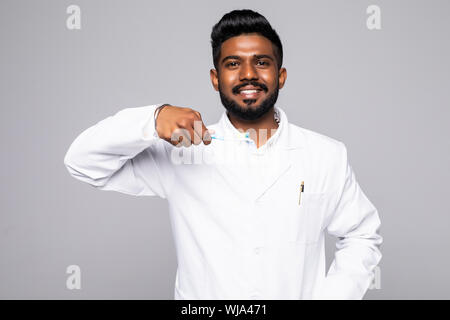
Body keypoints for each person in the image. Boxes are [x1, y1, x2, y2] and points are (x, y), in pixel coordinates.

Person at [64, 9, 382, 300]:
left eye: (261, 62)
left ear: (280, 75)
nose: (247, 74)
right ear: (216, 79)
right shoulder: (182, 149)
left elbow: (362, 235)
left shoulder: (326, 155)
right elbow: (82, 162)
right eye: (233, 64)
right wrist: (153, 118)